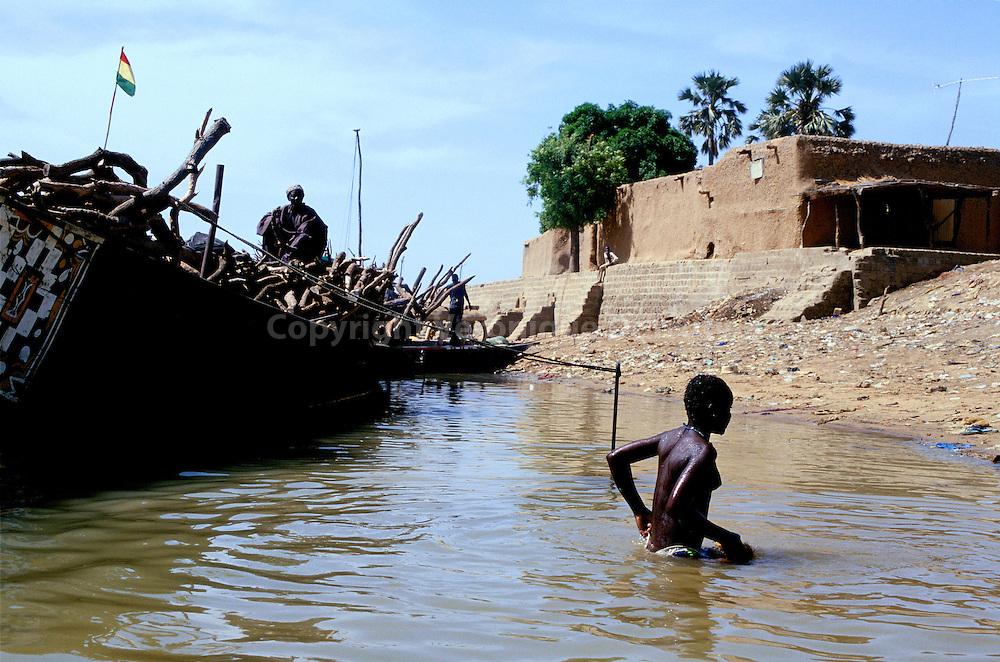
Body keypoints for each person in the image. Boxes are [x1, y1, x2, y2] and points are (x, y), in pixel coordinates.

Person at [606, 374, 753, 563]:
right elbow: (677, 508)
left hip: (655, 546)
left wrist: (639, 510)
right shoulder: (703, 451)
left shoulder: (671, 438)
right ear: (713, 410)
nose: (729, 416)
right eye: (727, 409)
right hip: (679, 554)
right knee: (749, 560)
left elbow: (616, 458)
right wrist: (727, 538)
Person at [256, 185, 329, 262]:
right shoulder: (284, 210)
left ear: (303, 196)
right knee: (268, 224)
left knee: (302, 239)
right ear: (289, 198)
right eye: (294, 196)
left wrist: (288, 252)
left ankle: (287, 259)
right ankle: (270, 259)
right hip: (286, 245)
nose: (297, 198)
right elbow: (270, 220)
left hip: (305, 249)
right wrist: (273, 219)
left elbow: (303, 234)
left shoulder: (309, 213)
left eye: (299, 195)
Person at [447, 273, 471, 344]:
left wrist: (469, 303)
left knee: (456, 323)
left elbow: (465, 294)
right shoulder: (452, 286)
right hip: (455, 307)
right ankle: (454, 339)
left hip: (457, 306)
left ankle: (455, 339)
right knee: (455, 323)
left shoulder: (460, 285)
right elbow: (465, 294)